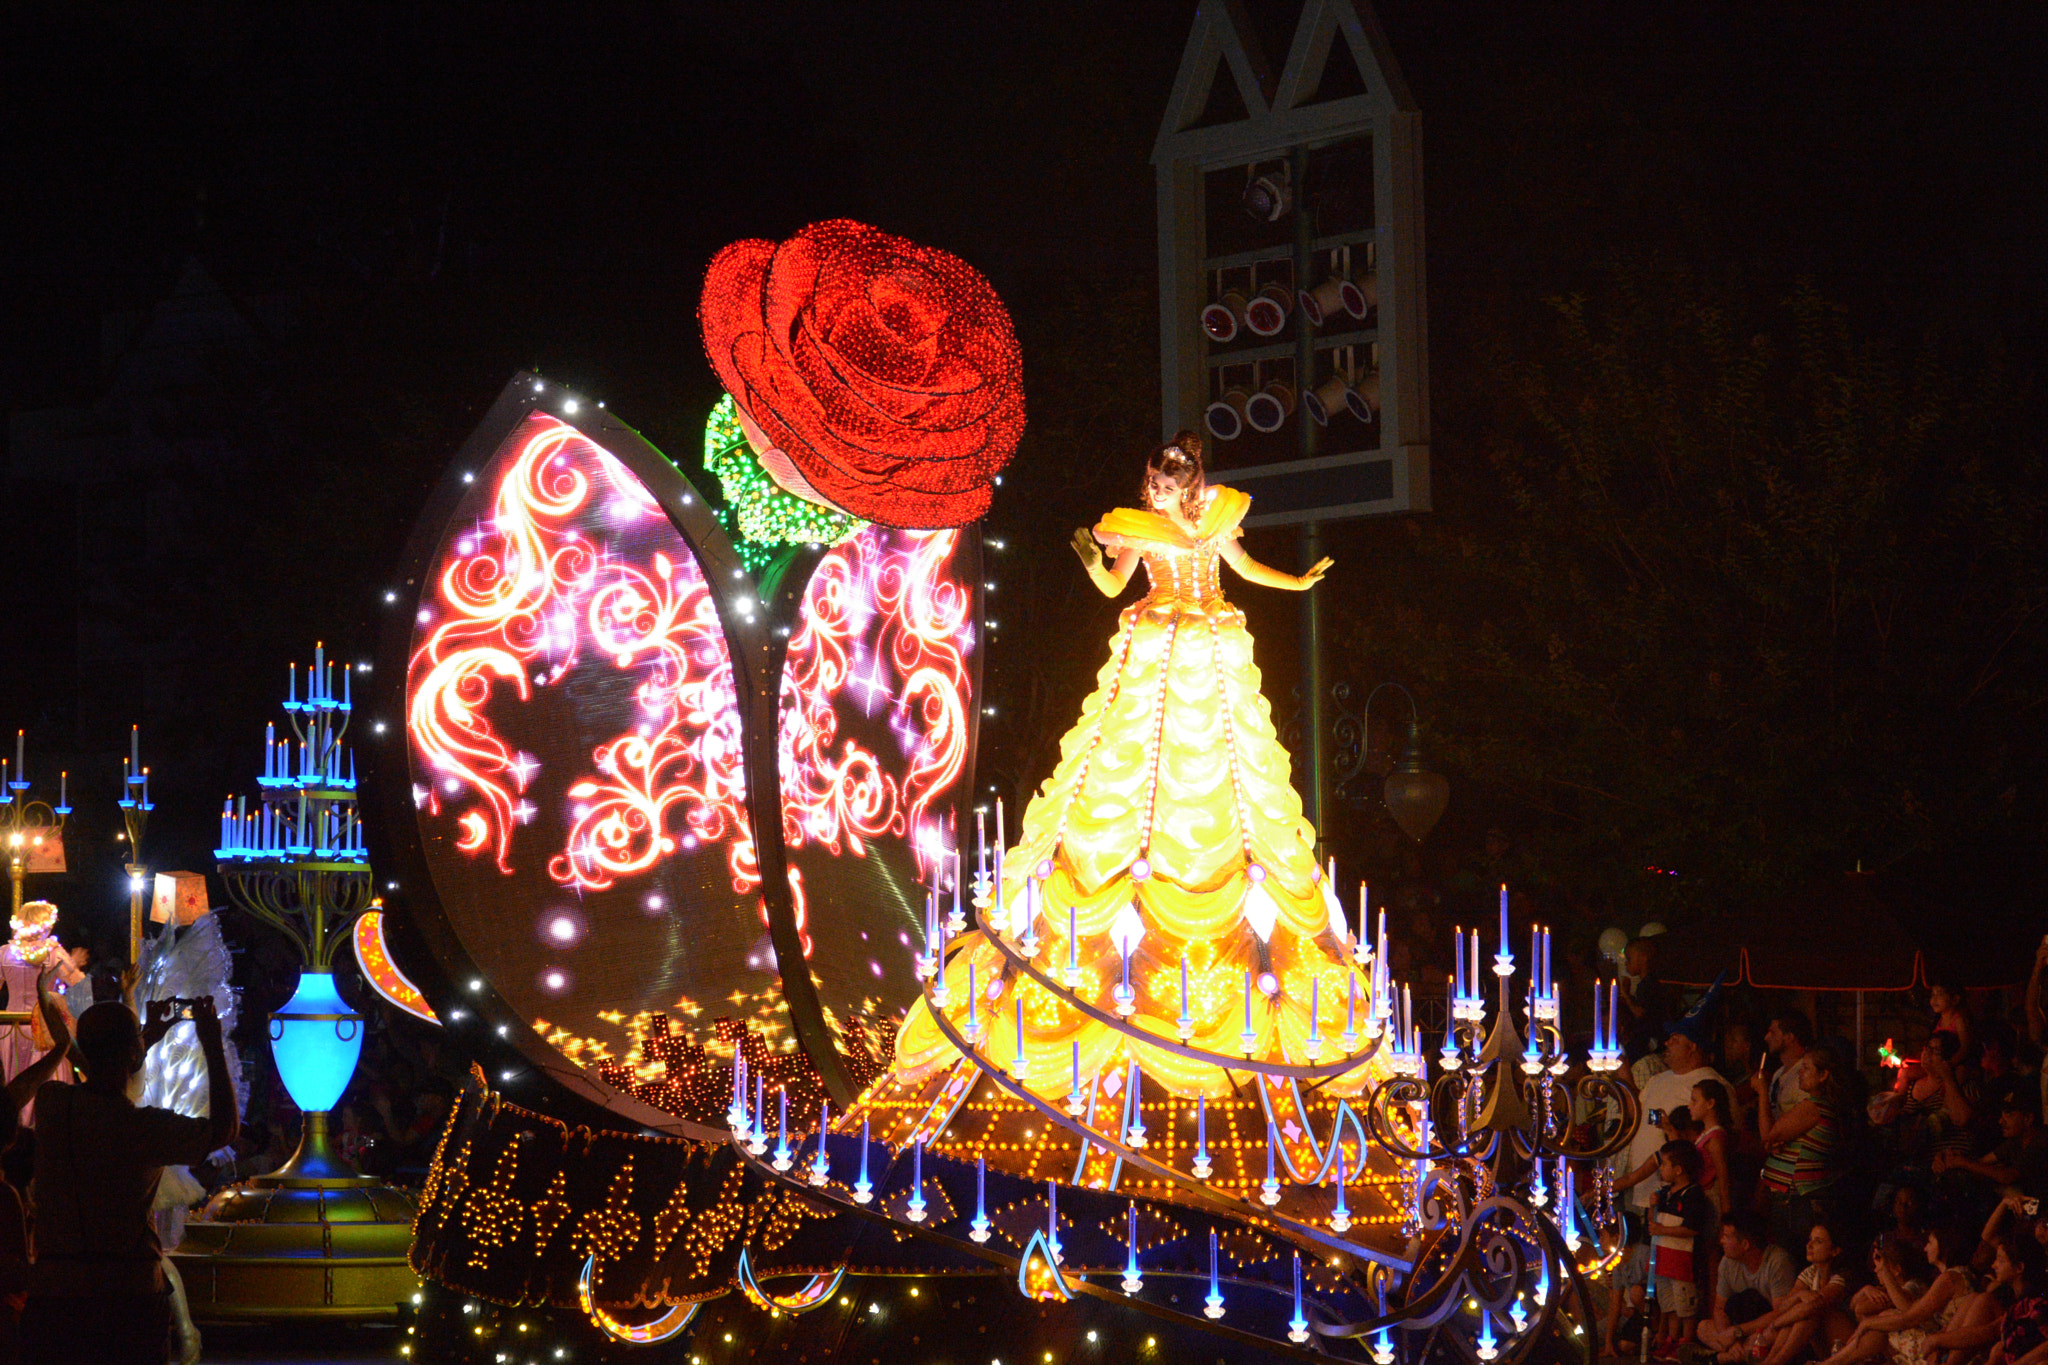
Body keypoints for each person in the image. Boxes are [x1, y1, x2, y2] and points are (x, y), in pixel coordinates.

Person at [891, 432, 1352, 1111]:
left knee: (1228, 783)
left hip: (1211, 652)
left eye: (1168, 484)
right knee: (1131, 781)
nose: (1158, 492)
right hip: (1157, 657)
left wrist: (1298, 580)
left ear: (1190, 482)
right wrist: (1086, 556)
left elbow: (1246, 569)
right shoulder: (1133, 528)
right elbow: (1113, 584)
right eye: (1154, 485)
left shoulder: (1221, 514)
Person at [22, 996, 238, 1365]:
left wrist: (142, 1043)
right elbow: (224, 1130)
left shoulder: (53, 1104)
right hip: (126, 1293)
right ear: (132, 1056)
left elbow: (96, 1076)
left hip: (55, 1289)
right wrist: (211, 1042)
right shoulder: (144, 1129)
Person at [1819, 1226, 1979, 1365]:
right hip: (1943, 1339)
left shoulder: (1950, 1278)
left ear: (1944, 1245)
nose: (1925, 1248)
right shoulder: (1952, 1275)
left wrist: (1868, 1323)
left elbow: (1911, 1316)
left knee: (1882, 1324)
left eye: (1930, 1243)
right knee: (1886, 1317)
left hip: (1945, 1347)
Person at [1756, 1046, 1851, 1252]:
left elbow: (1768, 1135)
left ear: (1823, 1075)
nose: (1800, 1072)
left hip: (1798, 1200)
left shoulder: (1813, 1107)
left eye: (1806, 1068)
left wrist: (1763, 1091)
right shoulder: (1822, 1106)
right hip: (1798, 1200)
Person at [1722, 1221, 1853, 1365]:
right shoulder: (1810, 1272)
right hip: (1817, 1342)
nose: (1809, 1245)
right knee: (1797, 1318)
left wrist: (1773, 1326)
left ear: (1835, 1251)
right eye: (1810, 1240)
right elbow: (1784, 1306)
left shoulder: (1841, 1276)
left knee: (1809, 1315)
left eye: (1818, 1241)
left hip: (1845, 1345)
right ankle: (1769, 1361)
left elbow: (1814, 1305)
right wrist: (1798, 1295)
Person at [1700, 1211, 1801, 1356]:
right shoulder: (1727, 1262)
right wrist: (1731, 1340)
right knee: (1703, 1327)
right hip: (1740, 1330)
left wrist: (1738, 1331)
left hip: (1766, 1328)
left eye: (1727, 1237)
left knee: (1773, 1336)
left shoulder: (1777, 1262)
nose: (1721, 1241)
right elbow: (1719, 1308)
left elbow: (1781, 1314)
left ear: (1745, 1244)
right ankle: (1738, 1355)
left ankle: (1720, 1358)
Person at [1651, 1139, 1714, 1357]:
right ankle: (1671, 1338)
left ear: (1678, 1170)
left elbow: (1692, 1228)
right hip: (1664, 1259)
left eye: (1664, 1164)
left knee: (1685, 1304)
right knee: (1669, 1304)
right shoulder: (1665, 1194)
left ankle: (1685, 1342)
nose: (1661, 1169)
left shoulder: (1692, 1195)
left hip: (1683, 1262)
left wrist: (1662, 1230)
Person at [1696, 1078, 1740, 1215]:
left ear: (1710, 1103)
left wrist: (1725, 1208)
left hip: (1712, 1196)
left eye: (1694, 1101)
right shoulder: (1705, 1134)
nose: (1689, 1106)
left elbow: (1723, 1176)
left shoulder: (1715, 1138)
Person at [1764, 1013, 1815, 1127]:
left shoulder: (1806, 1074)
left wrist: (1762, 1092)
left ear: (1789, 1037)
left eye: (1773, 1032)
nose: (1766, 1037)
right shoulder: (1778, 1074)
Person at [1926, 984, 1973, 1062]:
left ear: (1955, 999)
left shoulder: (1958, 1020)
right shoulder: (1937, 1021)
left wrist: (1950, 1064)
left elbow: (1965, 1047)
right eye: (1933, 995)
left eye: (1940, 994)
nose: (1934, 999)